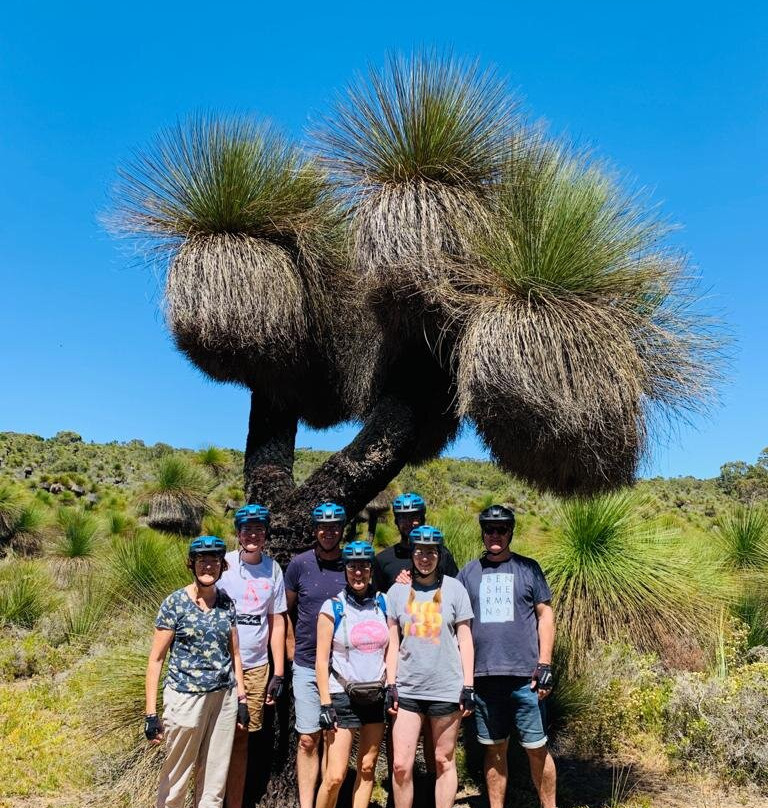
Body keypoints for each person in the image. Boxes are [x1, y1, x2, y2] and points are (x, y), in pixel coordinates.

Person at [456, 505, 556, 808]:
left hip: (526, 678)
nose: (495, 535)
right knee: (494, 750)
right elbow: (456, 621)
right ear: (482, 533)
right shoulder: (468, 573)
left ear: (511, 532)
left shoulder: (528, 568)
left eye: (501, 529)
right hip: (485, 679)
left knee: (537, 748)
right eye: (489, 530)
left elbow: (545, 616)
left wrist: (545, 664)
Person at [144, 535, 250, 808]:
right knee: (176, 778)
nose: (208, 567)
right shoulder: (175, 603)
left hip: (223, 698)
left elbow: (235, 653)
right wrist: (151, 714)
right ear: (191, 564)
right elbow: (156, 659)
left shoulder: (227, 602)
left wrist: (241, 700)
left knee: (214, 782)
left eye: (214, 561)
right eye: (202, 561)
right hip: (185, 697)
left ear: (221, 566)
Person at [385, 525, 475, 808]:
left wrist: (468, 685)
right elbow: (392, 642)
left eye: (432, 552)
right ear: (412, 554)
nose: (426, 557)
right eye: (420, 551)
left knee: (443, 760)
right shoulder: (397, 592)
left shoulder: (455, 589)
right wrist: (390, 683)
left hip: (446, 687)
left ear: (440, 554)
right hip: (408, 687)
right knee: (400, 765)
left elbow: (465, 638)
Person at [218, 504, 287, 808]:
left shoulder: (273, 569)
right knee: (216, 736)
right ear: (238, 533)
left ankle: (235, 801)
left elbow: (277, 621)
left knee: (243, 736)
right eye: (247, 530)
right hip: (220, 664)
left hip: (257, 665)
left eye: (259, 530)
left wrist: (279, 671)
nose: (253, 535)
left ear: (266, 534)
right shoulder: (224, 565)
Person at [315, 540, 389, 808]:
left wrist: (391, 686)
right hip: (342, 695)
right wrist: (325, 704)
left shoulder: (384, 603)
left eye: (364, 566)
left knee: (368, 767)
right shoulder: (332, 607)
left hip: (376, 694)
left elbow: (392, 648)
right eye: (353, 567)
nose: (358, 573)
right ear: (345, 570)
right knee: (335, 776)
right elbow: (321, 661)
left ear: (371, 569)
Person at [284, 502, 348, 808]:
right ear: (314, 530)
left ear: (342, 530)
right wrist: (289, 644)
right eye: (323, 527)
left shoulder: (354, 563)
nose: (328, 532)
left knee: (332, 739)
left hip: (344, 669)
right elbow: (285, 609)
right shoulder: (300, 565)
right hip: (308, 665)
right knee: (308, 738)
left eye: (335, 527)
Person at [373, 493, 459, 591]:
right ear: (396, 521)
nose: (409, 522)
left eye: (414, 517)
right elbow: (378, 600)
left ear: (422, 519)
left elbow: (455, 590)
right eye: (403, 518)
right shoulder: (382, 560)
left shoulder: (442, 555)